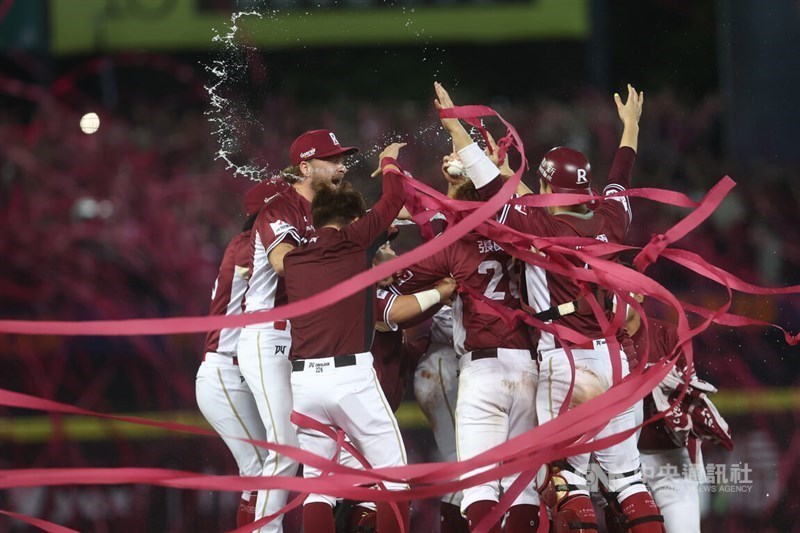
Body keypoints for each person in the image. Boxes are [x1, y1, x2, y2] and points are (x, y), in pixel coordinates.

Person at [434, 81, 665, 532]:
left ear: (542, 182)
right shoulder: (612, 219)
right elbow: (622, 179)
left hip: (568, 364)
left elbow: (485, 180)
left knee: (566, 481)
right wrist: (631, 127)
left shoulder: (534, 224)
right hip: (616, 359)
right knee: (627, 480)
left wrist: (456, 128)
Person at [390, 179, 541, 533]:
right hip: (529, 364)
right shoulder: (525, 235)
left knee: (476, 482)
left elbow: (397, 281)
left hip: (478, 366)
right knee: (523, 486)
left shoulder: (453, 242)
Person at [283, 143, 410, 533]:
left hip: (303, 382)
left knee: (319, 488)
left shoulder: (292, 260)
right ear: (352, 219)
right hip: (349, 378)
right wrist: (388, 160)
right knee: (395, 479)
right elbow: (394, 198)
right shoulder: (355, 242)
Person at [236, 129, 358, 532]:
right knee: (287, 446)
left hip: (304, 338)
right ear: (305, 167)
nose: (342, 165)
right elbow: (286, 264)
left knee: (325, 441)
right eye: (332, 159)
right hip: (269, 334)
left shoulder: (329, 210)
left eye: (343, 158)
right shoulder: (280, 209)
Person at [195, 180, 285, 528]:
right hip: (225, 375)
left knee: (269, 465)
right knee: (261, 468)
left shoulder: (249, 244)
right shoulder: (248, 245)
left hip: (240, 372)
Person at [604, 294, 732, 533]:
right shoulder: (598, 342)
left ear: (640, 294)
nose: (614, 299)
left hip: (670, 459)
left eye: (622, 290)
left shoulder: (668, 335)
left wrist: (682, 399)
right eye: (608, 291)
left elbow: (693, 396)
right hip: (617, 464)